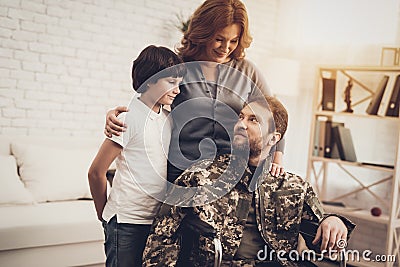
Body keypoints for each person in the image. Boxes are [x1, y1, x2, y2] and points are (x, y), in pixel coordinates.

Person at [142, 95, 355, 267]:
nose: (241, 124)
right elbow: (162, 237)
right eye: (241, 117)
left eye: (253, 120)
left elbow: (320, 243)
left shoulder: (294, 187)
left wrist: (334, 220)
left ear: (274, 138)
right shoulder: (200, 177)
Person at [103, 0, 285, 181]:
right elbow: (147, 101)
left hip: (231, 175)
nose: (226, 48)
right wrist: (117, 115)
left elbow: (274, 118)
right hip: (181, 173)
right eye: (219, 39)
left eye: (234, 41)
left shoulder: (248, 71)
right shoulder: (179, 66)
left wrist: (277, 159)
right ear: (203, 34)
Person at [88, 45, 185, 267]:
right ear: (149, 79)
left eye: (179, 83)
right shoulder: (129, 118)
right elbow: (96, 172)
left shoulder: (168, 118)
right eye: (171, 82)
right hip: (126, 222)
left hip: (154, 222)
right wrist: (104, 215)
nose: (177, 90)